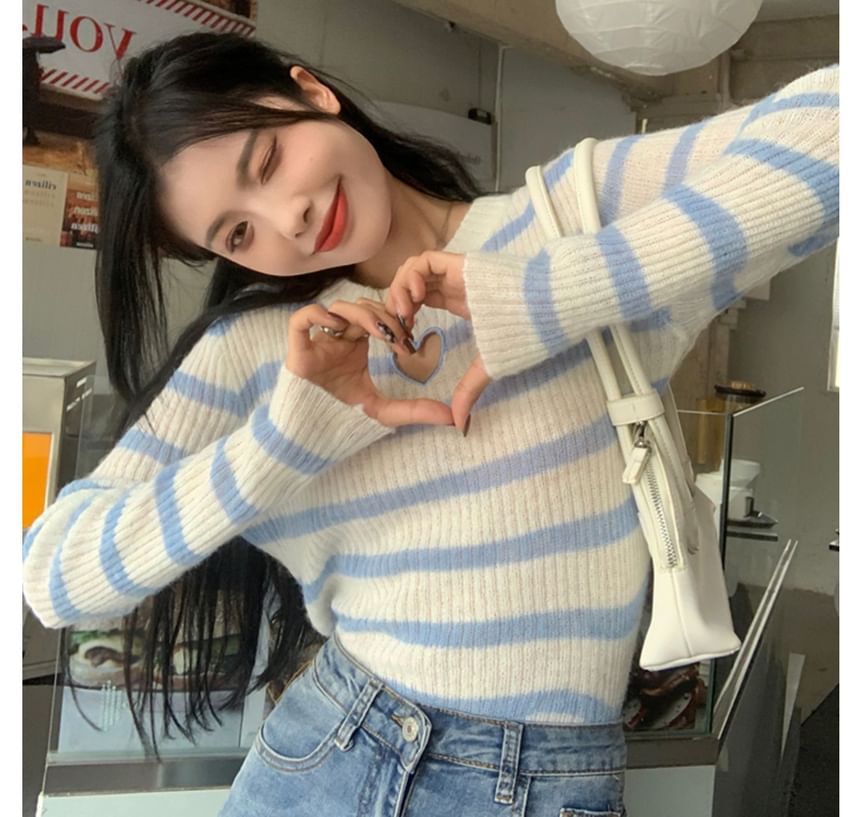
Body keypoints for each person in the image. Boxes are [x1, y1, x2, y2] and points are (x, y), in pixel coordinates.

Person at [22, 30, 838, 817]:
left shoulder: (566, 218)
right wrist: (288, 440)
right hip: (332, 750)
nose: (287, 219)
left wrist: (546, 296)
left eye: (266, 161)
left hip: (545, 776)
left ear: (312, 92)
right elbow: (56, 575)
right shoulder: (268, 348)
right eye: (239, 232)